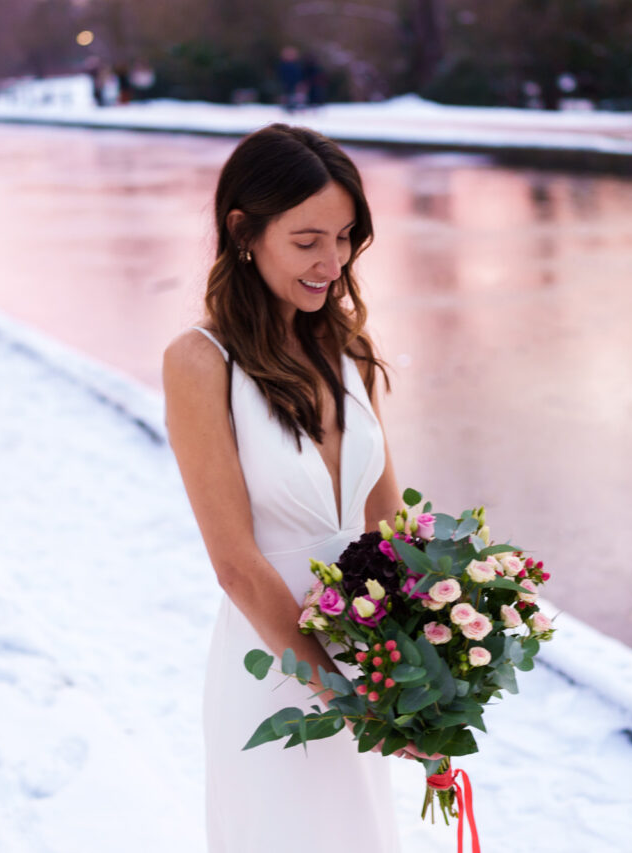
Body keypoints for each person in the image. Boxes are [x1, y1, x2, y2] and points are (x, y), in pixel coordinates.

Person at [163, 125, 433, 852]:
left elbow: (388, 518)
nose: (333, 262)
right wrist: (348, 697)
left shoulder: (345, 344)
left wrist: (420, 665)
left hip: (363, 651)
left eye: (345, 237)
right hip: (275, 668)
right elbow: (235, 564)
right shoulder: (199, 361)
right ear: (243, 230)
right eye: (308, 239)